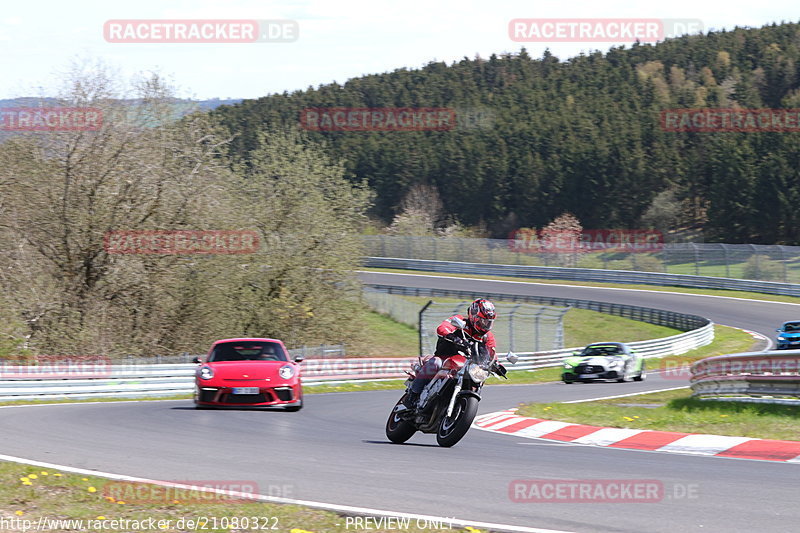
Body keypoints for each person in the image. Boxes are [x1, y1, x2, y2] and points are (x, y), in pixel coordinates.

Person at [404, 298, 498, 409]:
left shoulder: (488, 336)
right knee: (435, 363)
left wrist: (497, 364)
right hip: (445, 358)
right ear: (475, 317)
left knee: (477, 379)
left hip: (466, 365)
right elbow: (442, 327)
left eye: (489, 322)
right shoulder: (460, 321)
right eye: (484, 321)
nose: (486, 325)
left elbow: (492, 351)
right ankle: (413, 396)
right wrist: (453, 338)